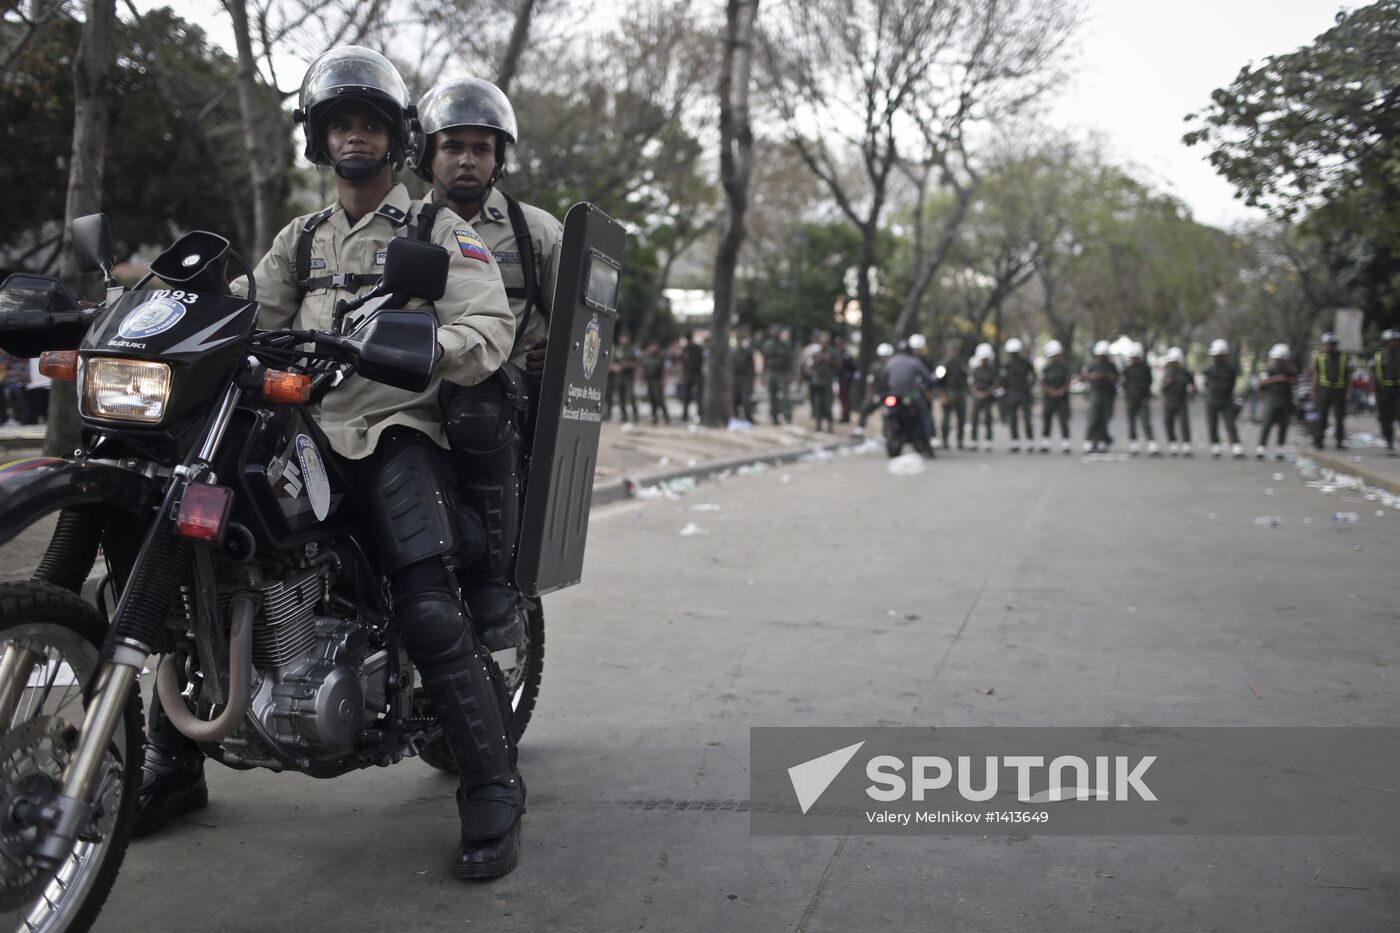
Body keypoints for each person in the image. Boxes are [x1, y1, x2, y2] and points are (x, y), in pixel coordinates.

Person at [136, 47, 524, 878]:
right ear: (321, 138)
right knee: (185, 561)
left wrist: (426, 350)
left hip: (392, 429)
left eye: (370, 125)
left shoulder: (436, 230)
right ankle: (171, 764)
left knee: (425, 603)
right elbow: (245, 315)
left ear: (395, 141)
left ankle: (492, 782)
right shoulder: (301, 237)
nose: (354, 138)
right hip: (299, 432)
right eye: (340, 124)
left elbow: (489, 329)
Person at [411, 76, 562, 382]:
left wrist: (558, 355)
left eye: (481, 150)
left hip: (512, 405)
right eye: (452, 148)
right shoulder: (401, 228)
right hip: (419, 403)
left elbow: (579, 327)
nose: (467, 161)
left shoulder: (538, 231)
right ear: (428, 156)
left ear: (498, 160)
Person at [1202, 339, 1242, 458]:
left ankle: (1236, 446)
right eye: (1215, 355)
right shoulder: (1209, 369)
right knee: (1212, 424)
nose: (1217, 358)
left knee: (1230, 423)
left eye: (1219, 355)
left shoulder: (1230, 369)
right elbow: (1205, 383)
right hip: (1211, 400)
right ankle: (1215, 446)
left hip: (1226, 400)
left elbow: (1232, 384)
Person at [1309, 332, 1350, 450]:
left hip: (1339, 391)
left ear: (1335, 345)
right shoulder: (1320, 357)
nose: (1328, 347)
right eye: (1326, 345)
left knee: (1339, 417)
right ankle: (1318, 441)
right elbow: (1316, 374)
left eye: (1331, 345)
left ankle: (1340, 441)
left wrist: (1349, 391)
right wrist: (1313, 390)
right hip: (1323, 390)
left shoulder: (1343, 357)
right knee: (1321, 417)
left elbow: (1349, 375)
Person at [1256, 343, 1295, 460]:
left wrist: (1288, 379)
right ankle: (1261, 447)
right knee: (1267, 423)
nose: (1277, 361)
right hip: (1272, 399)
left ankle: (1280, 449)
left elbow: (1296, 381)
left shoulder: (1289, 370)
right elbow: (1261, 383)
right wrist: (1276, 379)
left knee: (1283, 425)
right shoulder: (1270, 369)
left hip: (1285, 399)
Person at [999, 337, 1035, 453]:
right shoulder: (1007, 365)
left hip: (1024, 394)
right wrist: (1004, 395)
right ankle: (1015, 442)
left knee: (1027, 418)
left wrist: (1029, 386)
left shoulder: (1025, 363)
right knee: (1013, 419)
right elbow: (1003, 381)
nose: (1013, 354)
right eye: (1011, 353)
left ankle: (1030, 442)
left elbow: (1034, 376)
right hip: (1011, 394)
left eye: (1014, 352)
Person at [1122, 342, 1159, 456]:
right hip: (1131, 399)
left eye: (1135, 357)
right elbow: (1124, 383)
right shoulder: (1127, 369)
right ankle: (1134, 445)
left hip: (1143, 398)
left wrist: (1145, 395)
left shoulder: (1145, 368)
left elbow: (1149, 381)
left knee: (1146, 422)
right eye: (1132, 357)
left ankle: (1152, 445)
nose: (1133, 359)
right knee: (1131, 422)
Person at [1082, 340, 1118, 453]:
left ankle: (1102, 441)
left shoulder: (1111, 366)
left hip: (1108, 394)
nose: (1101, 357)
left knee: (1105, 418)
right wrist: (1092, 376)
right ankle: (1090, 440)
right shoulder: (1092, 365)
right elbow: (1083, 376)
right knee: (1093, 418)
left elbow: (1116, 379)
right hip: (1095, 393)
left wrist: (1108, 376)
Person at [1160, 346, 1196, 457]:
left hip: (1181, 401)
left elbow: (1193, 386)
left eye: (1175, 362)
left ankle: (1186, 445)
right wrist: (1167, 383)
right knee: (1168, 423)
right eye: (1172, 362)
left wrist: (1190, 395)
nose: (1173, 365)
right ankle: (1172, 444)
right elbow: (1161, 388)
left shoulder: (1185, 372)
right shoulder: (1167, 372)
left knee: (1184, 423)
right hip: (1169, 401)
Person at [1039, 339, 1072, 454]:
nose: (1054, 358)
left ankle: (1066, 443)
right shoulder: (1046, 369)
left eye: (1056, 355)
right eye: (1052, 356)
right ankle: (1045, 443)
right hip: (1049, 398)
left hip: (1062, 398)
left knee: (1063, 420)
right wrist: (1050, 391)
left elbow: (1068, 380)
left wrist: (1062, 390)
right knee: (1047, 420)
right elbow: (1042, 382)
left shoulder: (1065, 368)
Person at [854, 342, 894, 435]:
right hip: (877, 394)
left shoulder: (892, 366)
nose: (885, 358)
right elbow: (870, 382)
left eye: (887, 356)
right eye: (883, 356)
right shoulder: (875, 367)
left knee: (888, 413)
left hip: (889, 395)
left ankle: (887, 433)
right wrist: (869, 396)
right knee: (865, 409)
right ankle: (860, 428)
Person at [937, 339, 968, 450]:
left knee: (961, 419)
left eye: (955, 350)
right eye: (952, 350)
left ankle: (960, 441)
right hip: (949, 392)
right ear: (947, 351)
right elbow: (939, 381)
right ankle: (945, 441)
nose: (954, 353)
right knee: (946, 419)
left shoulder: (961, 363)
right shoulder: (943, 364)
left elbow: (967, 379)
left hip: (960, 393)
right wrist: (942, 396)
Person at [1374, 329, 1400, 456]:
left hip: (1398, 388)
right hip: (1384, 390)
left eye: (1396, 341)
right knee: (1386, 418)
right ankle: (1389, 439)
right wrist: (1375, 392)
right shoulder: (1379, 356)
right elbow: (1373, 375)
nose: (1394, 344)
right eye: (1391, 341)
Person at [968, 342, 997, 452]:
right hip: (977, 396)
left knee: (988, 418)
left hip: (988, 396)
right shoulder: (976, 369)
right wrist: (977, 393)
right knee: (974, 418)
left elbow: (995, 383)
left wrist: (987, 393)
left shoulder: (992, 370)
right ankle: (973, 440)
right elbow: (971, 383)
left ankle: (988, 441)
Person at [761, 326, 793, 424]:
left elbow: (790, 360)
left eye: (777, 332)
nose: (776, 334)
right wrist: (763, 375)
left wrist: (791, 374)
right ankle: (774, 417)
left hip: (782, 373)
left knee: (785, 396)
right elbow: (765, 360)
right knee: (772, 396)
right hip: (771, 372)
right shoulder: (767, 344)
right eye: (774, 332)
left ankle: (787, 416)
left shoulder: (786, 345)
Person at [809, 331, 837, 433]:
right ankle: (818, 425)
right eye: (822, 342)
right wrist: (818, 360)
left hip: (828, 381)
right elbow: (811, 367)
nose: (824, 344)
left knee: (828, 404)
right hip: (818, 381)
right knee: (817, 404)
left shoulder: (833, 352)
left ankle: (830, 425)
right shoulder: (816, 353)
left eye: (826, 342)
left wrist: (829, 360)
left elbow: (838, 366)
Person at [609, 331, 640, 421]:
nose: (622, 339)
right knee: (621, 396)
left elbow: (637, 363)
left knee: (630, 396)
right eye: (621, 337)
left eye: (624, 337)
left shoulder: (633, 349)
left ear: (628, 338)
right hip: (619, 376)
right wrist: (614, 366)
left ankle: (635, 415)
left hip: (628, 377)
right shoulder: (617, 349)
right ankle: (624, 415)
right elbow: (613, 361)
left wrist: (626, 364)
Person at [640, 339, 670, 424]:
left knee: (659, 399)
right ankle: (654, 417)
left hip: (657, 380)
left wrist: (663, 380)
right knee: (652, 399)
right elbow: (643, 367)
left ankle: (666, 417)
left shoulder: (661, 356)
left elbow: (664, 369)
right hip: (649, 380)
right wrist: (642, 379)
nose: (654, 348)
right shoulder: (647, 356)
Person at [679, 330, 705, 423]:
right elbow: (683, 363)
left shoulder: (698, 348)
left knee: (699, 397)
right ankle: (684, 417)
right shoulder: (685, 349)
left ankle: (700, 415)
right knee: (686, 397)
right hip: (689, 375)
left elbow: (701, 361)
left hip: (697, 375)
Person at [732, 328, 757, 421]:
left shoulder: (747, 352)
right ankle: (735, 415)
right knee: (735, 398)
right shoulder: (732, 352)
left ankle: (748, 416)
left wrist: (750, 379)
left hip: (744, 378)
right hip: (735, 378)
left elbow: (751, 367)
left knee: (745, 398)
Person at [834, 334, 858, 423]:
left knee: (845, 398)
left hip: (846, 379)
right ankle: (844, 415)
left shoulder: (846, 354)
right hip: (841, 378)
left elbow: (852, 367)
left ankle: (845, 416)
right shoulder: (840, 353)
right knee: (843, 397)